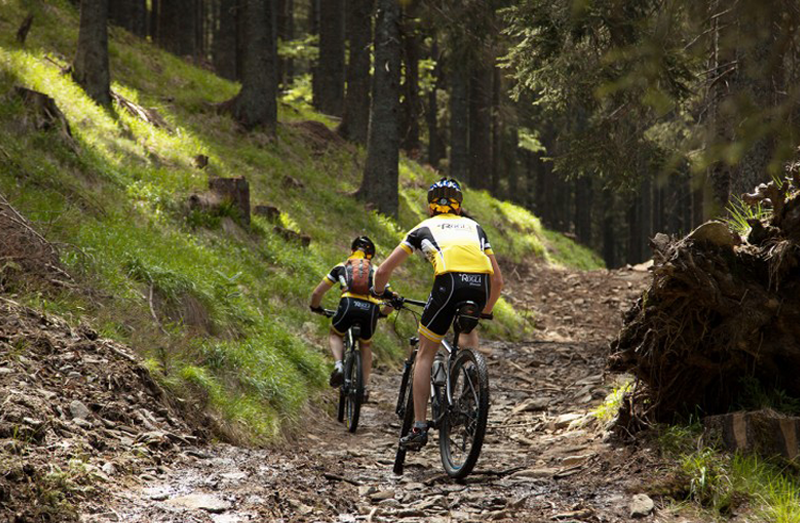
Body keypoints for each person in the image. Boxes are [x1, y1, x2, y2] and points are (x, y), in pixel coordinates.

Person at [373, 178, 504, 449]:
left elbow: (383, 271)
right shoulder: (475, 227)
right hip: (480, 286)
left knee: (425, 354)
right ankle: (471, 376)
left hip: (449, 283)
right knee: (468, 329)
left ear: (430, 206)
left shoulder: (423, 227)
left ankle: (419, 427)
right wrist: (487, 311)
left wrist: (379, 292)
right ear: (459, 206)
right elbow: (499, 281)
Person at [309, 236, 392, 401]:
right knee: (365, 345)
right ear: (370, 256)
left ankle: (339, 365)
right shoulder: (376, 271)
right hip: (371, 309)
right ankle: (364, 387)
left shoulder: (341, 267)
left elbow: (317, 293)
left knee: (336, 333)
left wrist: (315, 307)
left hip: (348, 304)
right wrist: (383, 313)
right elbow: (391, 300)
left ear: (352, 250)